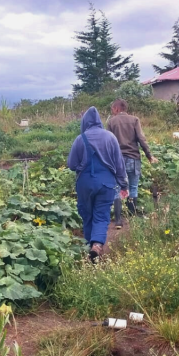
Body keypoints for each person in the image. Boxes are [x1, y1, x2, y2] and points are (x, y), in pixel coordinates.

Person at [67, 106, 129, 262]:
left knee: (87, 214)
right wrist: (124, 185)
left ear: (85, 122)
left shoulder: (80, 138)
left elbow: (71, 165)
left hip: (85, 183)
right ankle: (97, 245)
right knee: (101, 215)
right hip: (106, 183)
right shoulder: (110, 137)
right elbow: (119, 164)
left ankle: (89, 247)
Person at [106, 99, 156, 226]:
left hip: (117, 161)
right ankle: (132, 217)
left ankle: (118, 220)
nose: (112, 111)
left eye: (112, 109)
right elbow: (141, 139)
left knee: (117, 188)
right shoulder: (134, 120)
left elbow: (108, 142)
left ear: (117, 108)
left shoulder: (111, 122)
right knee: (133, 187)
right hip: (133, 158)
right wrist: (149, 155)